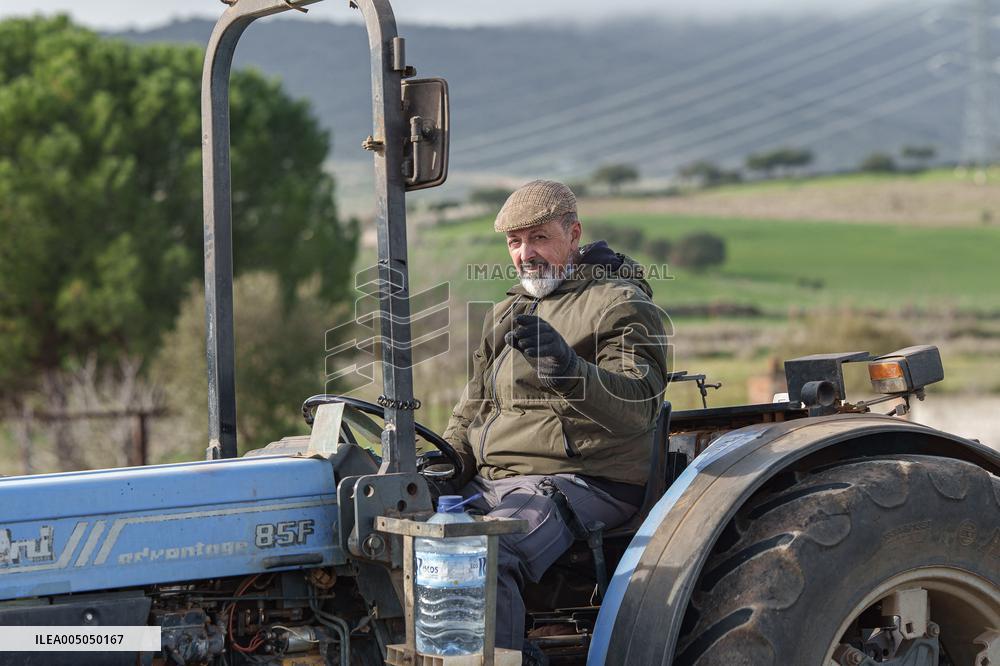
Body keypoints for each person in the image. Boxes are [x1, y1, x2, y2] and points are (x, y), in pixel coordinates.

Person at [442, 179, 669, 654]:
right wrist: (446, 463)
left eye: (540, 237)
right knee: (391, 533)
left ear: (574, 234)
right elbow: (474, 405)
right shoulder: (508, 311)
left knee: (486, 552)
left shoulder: (619, 303)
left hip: (586, 479)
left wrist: (568, 370)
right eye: (515, 242)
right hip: (496, 481)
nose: (527, 253)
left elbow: (637, 407)